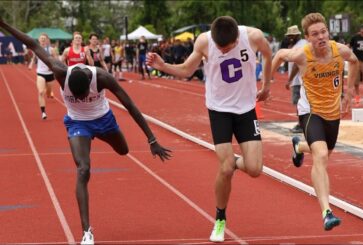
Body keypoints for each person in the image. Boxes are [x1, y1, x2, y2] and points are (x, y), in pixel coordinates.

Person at [0, 18, 172, 245]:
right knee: (83, 169)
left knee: (123, 150)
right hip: (77, 123)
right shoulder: (60, 71)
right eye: (76, 96)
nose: (80, 99)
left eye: (83, 96)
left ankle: (106, 138)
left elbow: (131, 106)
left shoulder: (102, 77)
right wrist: (3, 24)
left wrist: (152, 139)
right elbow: (32, 43)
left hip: (103, 120)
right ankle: (86, 232)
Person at [147, 16, 272, 242]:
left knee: (254, 169)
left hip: (245, 109)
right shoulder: (205, 42)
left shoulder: (253, 37)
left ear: (236, 41)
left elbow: (268, 54)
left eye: (226, 48)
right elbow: (187, 69)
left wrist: (267, 84)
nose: (222, 51)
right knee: (225, 170)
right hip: (219, 110)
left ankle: (231, 160)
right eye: (219, 48)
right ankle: (220, 219)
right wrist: (163, 66)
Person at [271, 13, 359, 231]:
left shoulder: (340, 50)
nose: (320, 37)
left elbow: (355, 61)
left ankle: (299, 146)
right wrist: (265, 83)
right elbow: (280, 54)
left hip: (332, 112)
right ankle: (326, 212)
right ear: (308, 38)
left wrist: (348, 92)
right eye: (315, 34)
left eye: (323, 32)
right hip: (310, 112)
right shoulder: (303, 54)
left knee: (325, 152)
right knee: (320, 156)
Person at [28, 33, 58, 119]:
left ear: (47, 40)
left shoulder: (51, 50)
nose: (43, 40)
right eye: (41, 39)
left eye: (44, 39)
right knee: (41, 92)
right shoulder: (36, 49)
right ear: (39, 40)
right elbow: (34, 58)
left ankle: (50, 92)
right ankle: (43, 112)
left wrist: (53, 67)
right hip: (40, 73)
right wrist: (30, 64)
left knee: (48, 93)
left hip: (50, 74)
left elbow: (56, 60)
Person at [284, 25, 307, 133]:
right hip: (302, 78)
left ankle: (301, 124)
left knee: (299, 103)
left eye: (292, 35)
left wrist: (290, 79)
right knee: (303, 103)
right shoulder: (300, 44)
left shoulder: (299, 46)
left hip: (298, 79)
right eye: (289, 36)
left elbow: (296, 65)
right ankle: (303, 124)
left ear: (298, 35)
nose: (290, 37)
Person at [349, 24, 363, 107]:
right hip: (356, 61)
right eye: (362, 29)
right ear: (360, 29)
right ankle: (357, 98)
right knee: (356, 81)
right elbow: (349, 46)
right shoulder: (355, 37)